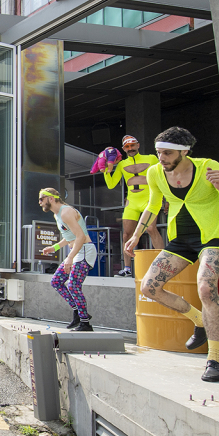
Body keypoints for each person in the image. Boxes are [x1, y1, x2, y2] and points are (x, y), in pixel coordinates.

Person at [127, 127, 219, 383]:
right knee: (148, 287)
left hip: (210, 236)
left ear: (184, 151)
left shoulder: (207, 167)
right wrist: (136, 235)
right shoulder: (155, 172)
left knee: (206, 288)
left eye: (167, 153)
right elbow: (153, 204)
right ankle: (199, 320)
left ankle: (215, 360)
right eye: (159, 152)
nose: (162, 158)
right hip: (179, 239)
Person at [104, 135, 165, 277]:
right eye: (127, 147)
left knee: (151, 228)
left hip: (149, 199)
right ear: (124, 149)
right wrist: (107, 170)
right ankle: (127, 268)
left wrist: (166, 198)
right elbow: (111, 184)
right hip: (132, 202)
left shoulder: (151, 158)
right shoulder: (122, 164)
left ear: (138, 145)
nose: (130, 148)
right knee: (126, 234)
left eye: (132, 145)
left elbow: (163, 177)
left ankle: (164, 263)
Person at [39, 189, 97, 332]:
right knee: (56, 281)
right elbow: (70, 236)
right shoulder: (57, 214)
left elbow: (81, 237)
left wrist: (70, 258)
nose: (39, 202)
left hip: (84, 251)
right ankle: (78, 312)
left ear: (51, 199)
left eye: (41, 199)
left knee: (73, 285)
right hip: (77, 251)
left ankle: (85, 323)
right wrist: (54, 247)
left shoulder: (66, 212)